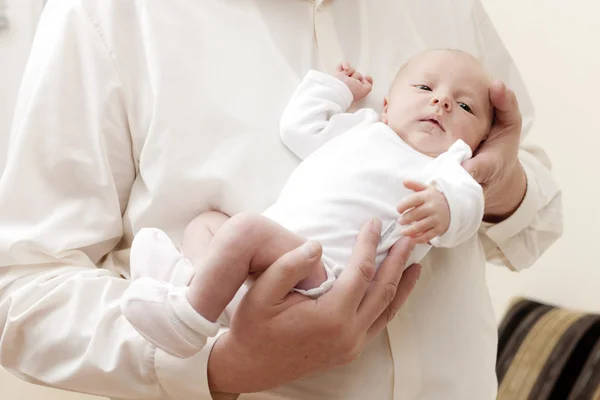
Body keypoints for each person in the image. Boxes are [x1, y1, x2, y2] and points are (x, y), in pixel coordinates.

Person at [0, 0, 562, 399]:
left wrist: (496, 184)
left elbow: (538, 221)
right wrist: (220, 365)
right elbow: (21, 286)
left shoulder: (450, 8)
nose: (441, 104)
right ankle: (183, 298)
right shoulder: (105, 16)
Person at [122, 50, 491, 359]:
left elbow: (468, 202)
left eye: (464, 106)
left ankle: (187, 320)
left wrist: (444, 210)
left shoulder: (445, 167)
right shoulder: (363, 129)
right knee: (207, 223)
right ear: (387, 106)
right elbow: (299, 128)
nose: (441, 101)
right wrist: (334, 90)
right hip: (277, 253)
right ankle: (196, 283)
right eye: (425, 87)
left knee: (245, 229)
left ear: (476, 142)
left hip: (327, 277)